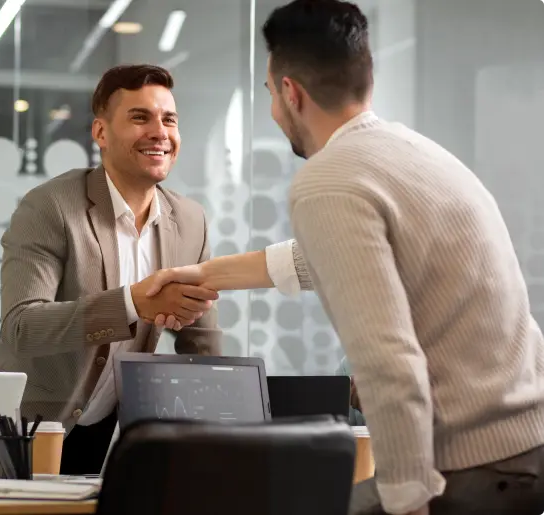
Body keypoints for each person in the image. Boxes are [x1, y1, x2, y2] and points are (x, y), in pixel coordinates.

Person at [141, 1, 544, 514]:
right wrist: (205, 274)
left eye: (269, 93)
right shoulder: (410, 152)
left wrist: (405, 500)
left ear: (291, 93)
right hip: (526, 447)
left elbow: (387, 360)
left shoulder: (330, 179)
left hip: (473, 470)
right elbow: (328, 260)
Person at [0, 64, 307, 476]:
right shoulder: (52, 206)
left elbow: (200, 341)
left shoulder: (189, 219)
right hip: (17, 427)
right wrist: (134, 302)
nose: (160, 132)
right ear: (100, 133)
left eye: (169, 119)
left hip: (98, 427)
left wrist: (234, 435)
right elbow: (22, 326)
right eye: (139, 117)